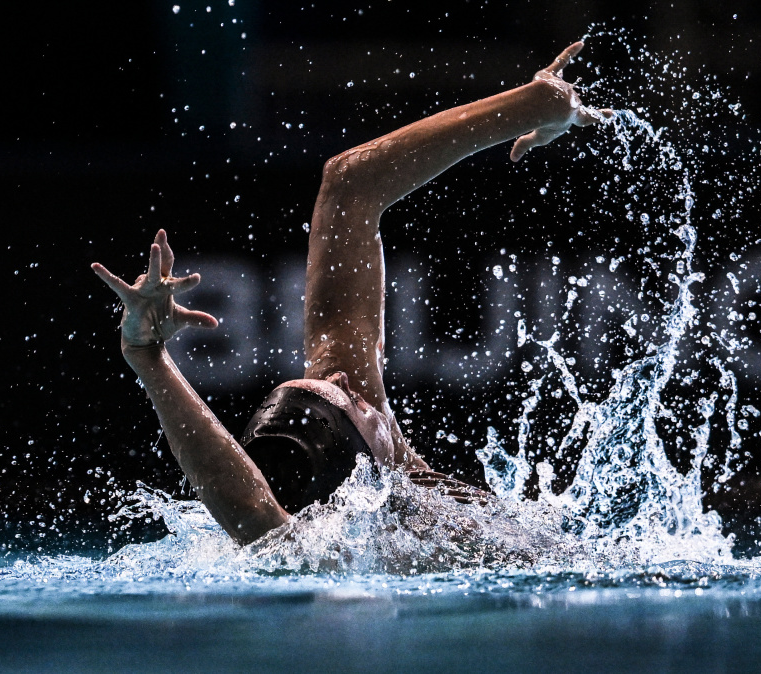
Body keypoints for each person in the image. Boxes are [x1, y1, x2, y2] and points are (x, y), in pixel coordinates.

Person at [92, 42, 610, 545]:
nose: (342, 376)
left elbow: (350, 181)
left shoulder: (370, 447)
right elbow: (253, 514)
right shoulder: (401, 549)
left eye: (326, 382)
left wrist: (533, 104)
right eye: (350, 401)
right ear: (362, 467)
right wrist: (146, 359)